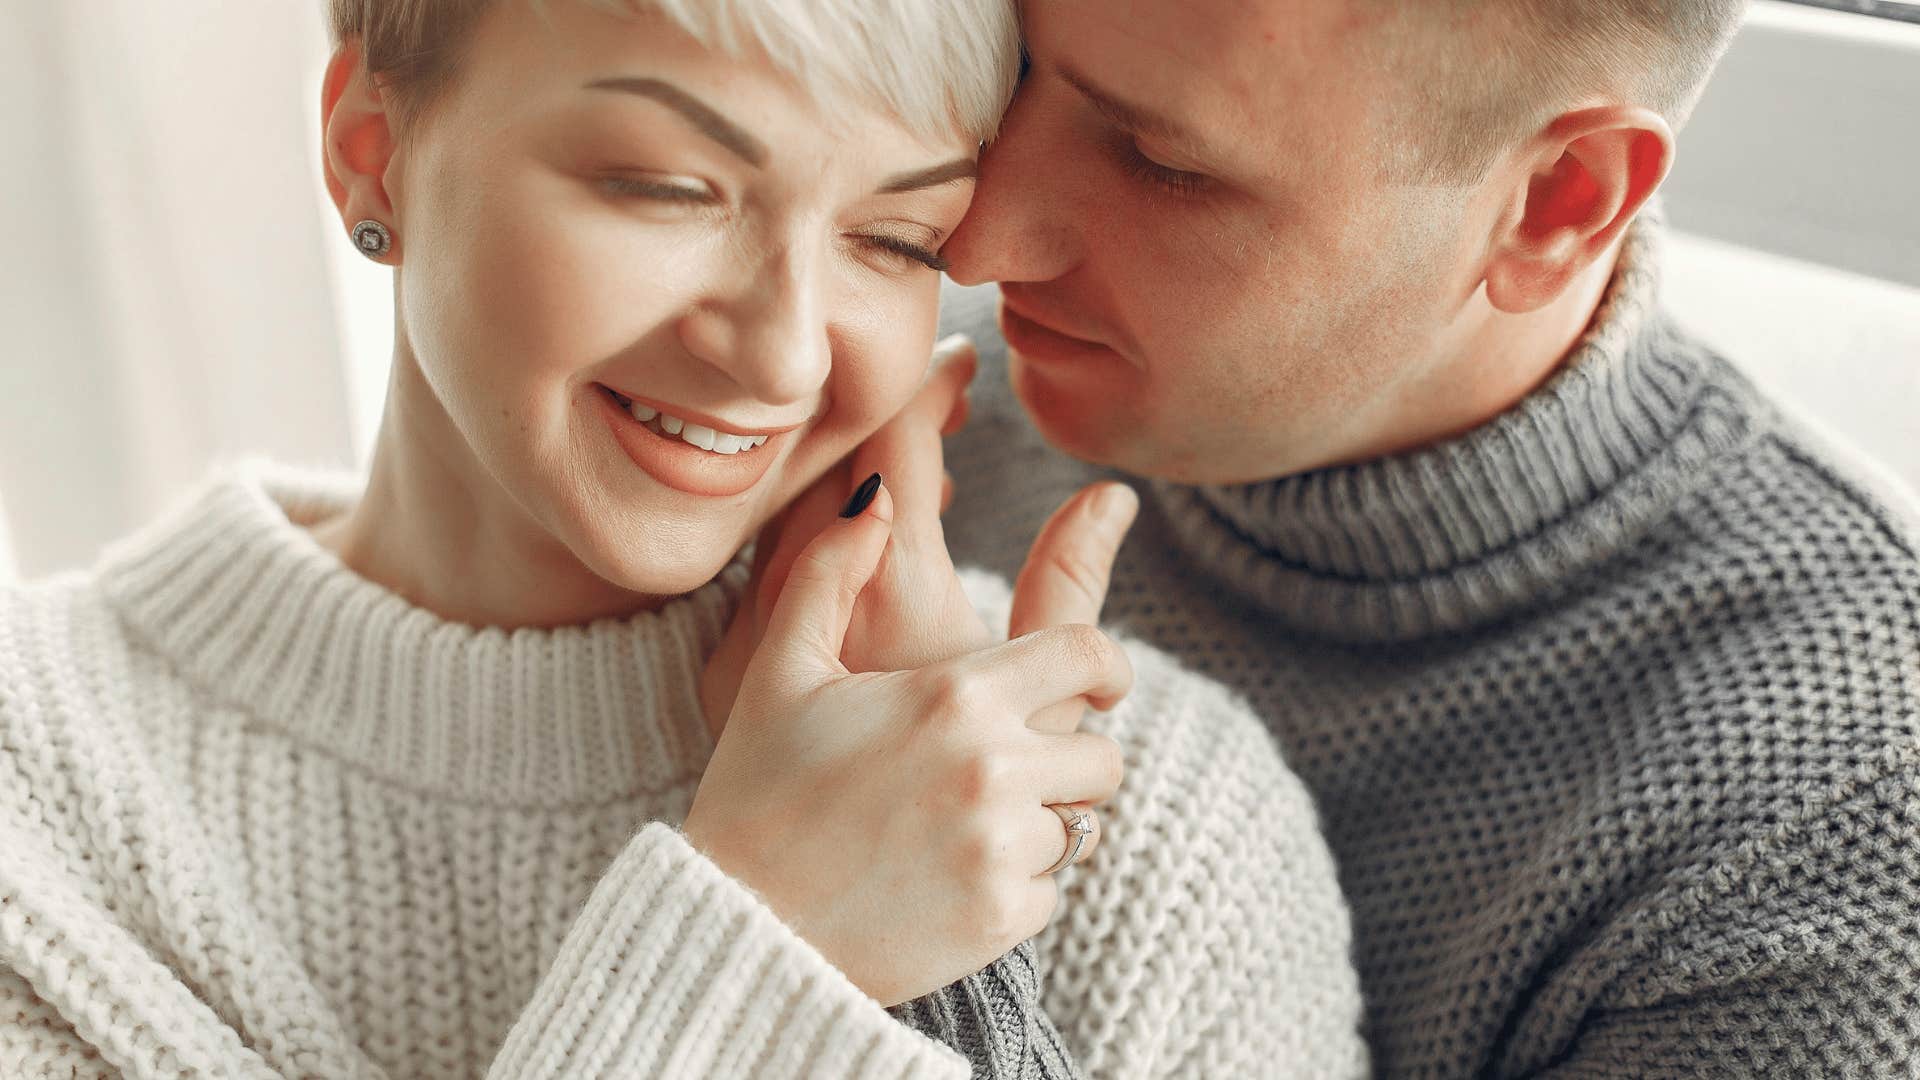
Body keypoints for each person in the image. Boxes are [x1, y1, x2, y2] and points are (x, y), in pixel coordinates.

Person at [0, 1, 1368, 1077]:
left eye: (895, 237)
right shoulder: (39, 798)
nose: (779, 351)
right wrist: (766, 946)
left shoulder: (1149, 814)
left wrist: (964, 995)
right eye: (669, 187)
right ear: (372, 142)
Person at [920, 0, 1920, 1076]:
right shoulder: (891, 416)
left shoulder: (1837, 832)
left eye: (1163, 161)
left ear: (1557, 202)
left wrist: (935, 959)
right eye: (1018, 67)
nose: (973, 241)